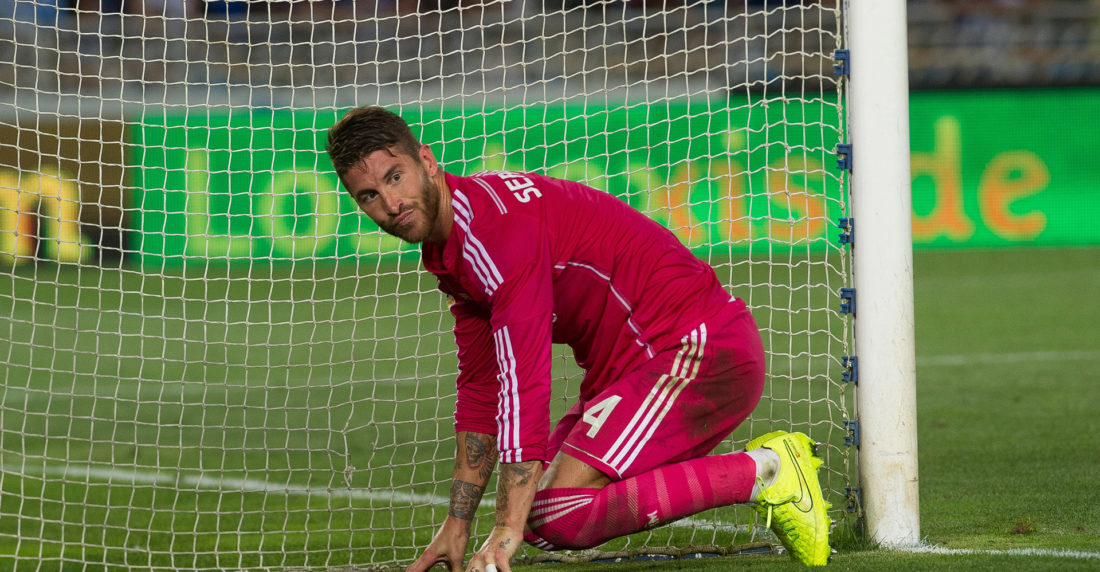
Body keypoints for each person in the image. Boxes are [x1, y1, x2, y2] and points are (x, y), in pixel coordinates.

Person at [326, 106, 830, 570]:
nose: (390, 203)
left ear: (427, 161)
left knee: (552, 513)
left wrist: (504, 528)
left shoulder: (494, 233)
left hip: (696, 348)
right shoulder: (454, 245)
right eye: (368, 195)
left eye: (395, 177)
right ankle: (753, 471)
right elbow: (482, 386)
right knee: (542, 516)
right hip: (637, 367)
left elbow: (524, 386)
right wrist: (457, 525)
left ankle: (765, 472)